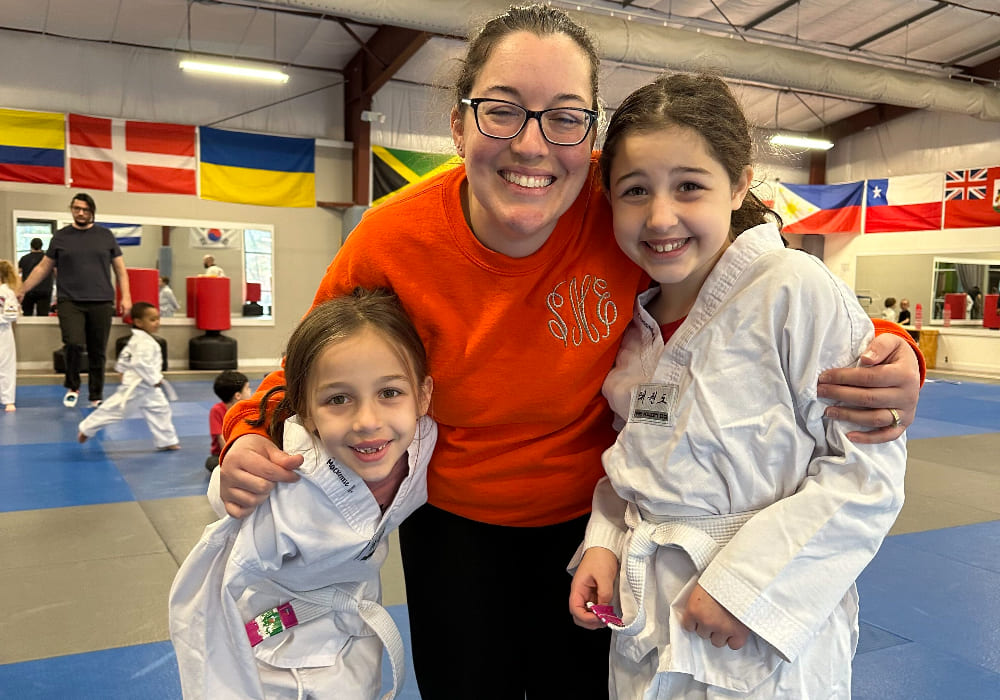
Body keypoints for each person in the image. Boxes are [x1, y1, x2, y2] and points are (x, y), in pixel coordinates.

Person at [216, 5, 922, 697]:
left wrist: (892, 351)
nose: (532, 145)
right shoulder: (393, 239)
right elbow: (313, 362)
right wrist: (248, 432)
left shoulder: (621, 209)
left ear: (589, 131)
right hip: (454, 524)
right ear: (459, 124)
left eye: (563, 117)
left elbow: (746, 284)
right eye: (502, 110)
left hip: (592, 526)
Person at [568, 73, 907, 699]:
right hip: (648, 614)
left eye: (689, 186)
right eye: (635, 190)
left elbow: (867, 473)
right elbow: (635, 465)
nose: (660, 216)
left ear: (739, 184)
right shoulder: (636, 327)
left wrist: (748, 588)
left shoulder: (793, 288)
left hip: (759, 629)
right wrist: (605, 543)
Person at [169, 289, 436, 700]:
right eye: (338, 399)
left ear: (423, 395)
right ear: (306, 411)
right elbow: (204, 602)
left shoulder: (422, 442)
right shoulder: (284, 490)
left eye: (389, 393)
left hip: (355, 640)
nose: (368, 422)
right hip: (273, 644)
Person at [17, 193, 132, 408]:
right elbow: (43, 267)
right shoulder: (61, 237)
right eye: (76, 208)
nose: (80, 213)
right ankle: (73, 385)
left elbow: (120, 270)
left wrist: (126, 296)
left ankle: (96, 395)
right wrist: (22, 289)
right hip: (70, 300)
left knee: (98, 350)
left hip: (101, 300)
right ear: (71, 209)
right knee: (73, 343)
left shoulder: (105, 236)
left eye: (85, 210)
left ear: (92, 212)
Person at [77, 301, 179, 451]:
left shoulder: (141, 340)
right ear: (138, 322)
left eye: (158, 318)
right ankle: (87, 428)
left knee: (161, 410)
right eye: (152, 319)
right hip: (137, 386)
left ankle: (166, 441)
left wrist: (121, 370)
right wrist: (155, 379)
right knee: (115, 410)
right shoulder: (144, 342)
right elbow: (140, 363)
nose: (157, 322)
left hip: (148, 388)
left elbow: (125, 357)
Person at [206, 370, 251, 473]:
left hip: (245, 448)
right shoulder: (217, 410)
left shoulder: (247, 409)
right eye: (247, 388)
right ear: (238, 395)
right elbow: (221, 438)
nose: (250, 391)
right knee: (212, 463)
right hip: (223, 453)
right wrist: (233, 457)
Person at [0, 260, 20, 412]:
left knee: (6, 366)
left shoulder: (7, 292)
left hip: (3, 332)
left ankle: (8, 400)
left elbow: (12, 314)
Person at [17, 237, 53, 316]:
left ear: (31, 246)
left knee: (27, 315)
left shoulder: (24, 258)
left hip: (28, 290)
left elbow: (17, 272)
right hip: (45, 290)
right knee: (43, 316)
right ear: (41, 246)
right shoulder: (47, 259)